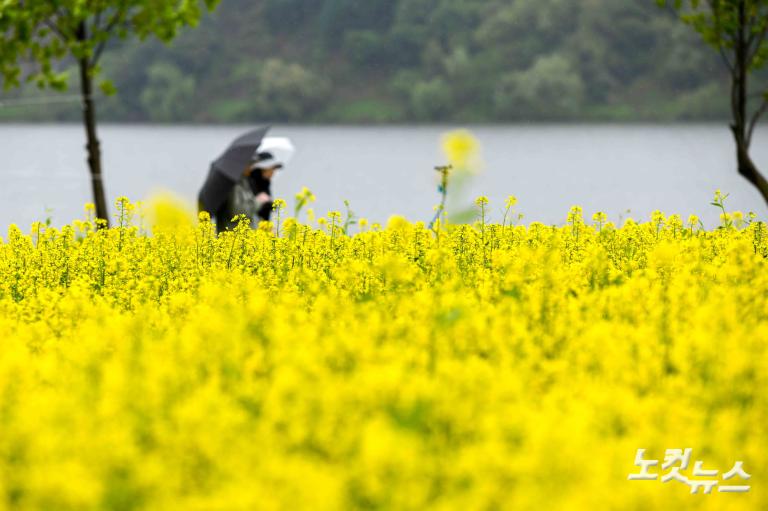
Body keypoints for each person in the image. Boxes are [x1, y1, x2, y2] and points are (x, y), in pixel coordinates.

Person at [213, 137, 294, 232]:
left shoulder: (244, 181)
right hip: (233, 236)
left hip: (247, 235)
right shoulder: (233, 184)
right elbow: (238, 211)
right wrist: (259, 201)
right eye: (250, 164)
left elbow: (251, 209)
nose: (252, 167)